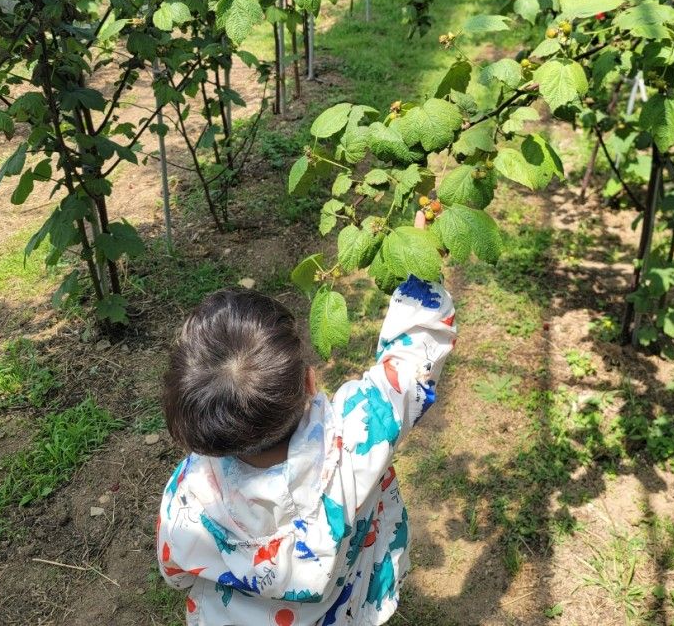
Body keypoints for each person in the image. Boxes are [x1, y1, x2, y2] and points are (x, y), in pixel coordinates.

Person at [156, 210, 456, 626]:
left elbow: (175, 572)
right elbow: (410, 365)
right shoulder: (359, 433)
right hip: (344, 606)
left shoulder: (191, 496)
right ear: (310, 382)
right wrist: (420, 269)